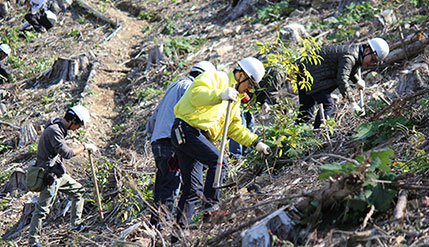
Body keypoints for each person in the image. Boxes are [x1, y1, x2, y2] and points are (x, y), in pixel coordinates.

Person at [171, 56, 271, 227]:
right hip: (186, 130)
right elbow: (196, 96)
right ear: (241, 75)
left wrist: (256, 142)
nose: (249, 89)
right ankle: (211, 209)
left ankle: (179, 234)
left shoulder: (235, 100)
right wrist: (221, 95)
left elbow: (234, 128)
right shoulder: (215, 77)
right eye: (250, 84)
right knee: (219, 162)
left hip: (197, 137)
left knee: (193, 190)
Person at [145, 61, 216, 229]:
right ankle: (163, 228)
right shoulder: (191, 89)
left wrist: (153, 136)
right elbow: (191, 118)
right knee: (171, 185)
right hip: (173, 141)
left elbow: (154, 117)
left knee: (161, 185)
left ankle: (155, 225)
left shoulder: (174, 85)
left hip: (158, 140)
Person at [28, 105, 97, 247]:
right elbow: (67, 153)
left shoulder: (58, 127)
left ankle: (75, 224)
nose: (77, 128)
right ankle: (33, 241)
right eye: (78, 124)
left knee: (78, 191)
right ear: (72, 120)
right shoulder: (54, 131)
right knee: (42, 210)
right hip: (49, 176)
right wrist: (84, 146)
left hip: (57, 173)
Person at [296, 37, 390, 128]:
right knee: (328, 105)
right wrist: (352, 102)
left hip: (306, 71)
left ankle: (297, 137)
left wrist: (356, 81)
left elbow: (346, 70)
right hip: (310, 74)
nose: (371, 64)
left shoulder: (355, 55)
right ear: (367, 51)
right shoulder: (350, 57)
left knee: (306, 110)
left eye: (375, 62)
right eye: (373, 60)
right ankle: (320, 133)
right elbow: (342, 79)